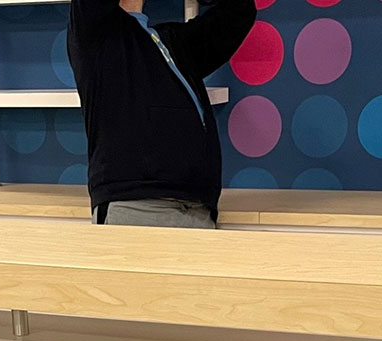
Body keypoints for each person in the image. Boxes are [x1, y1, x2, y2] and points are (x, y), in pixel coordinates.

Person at [68, 0, 257, 229]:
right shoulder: (97, 34)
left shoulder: (174, 43)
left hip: (198, 208)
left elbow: (238, 10)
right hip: (136, 205)